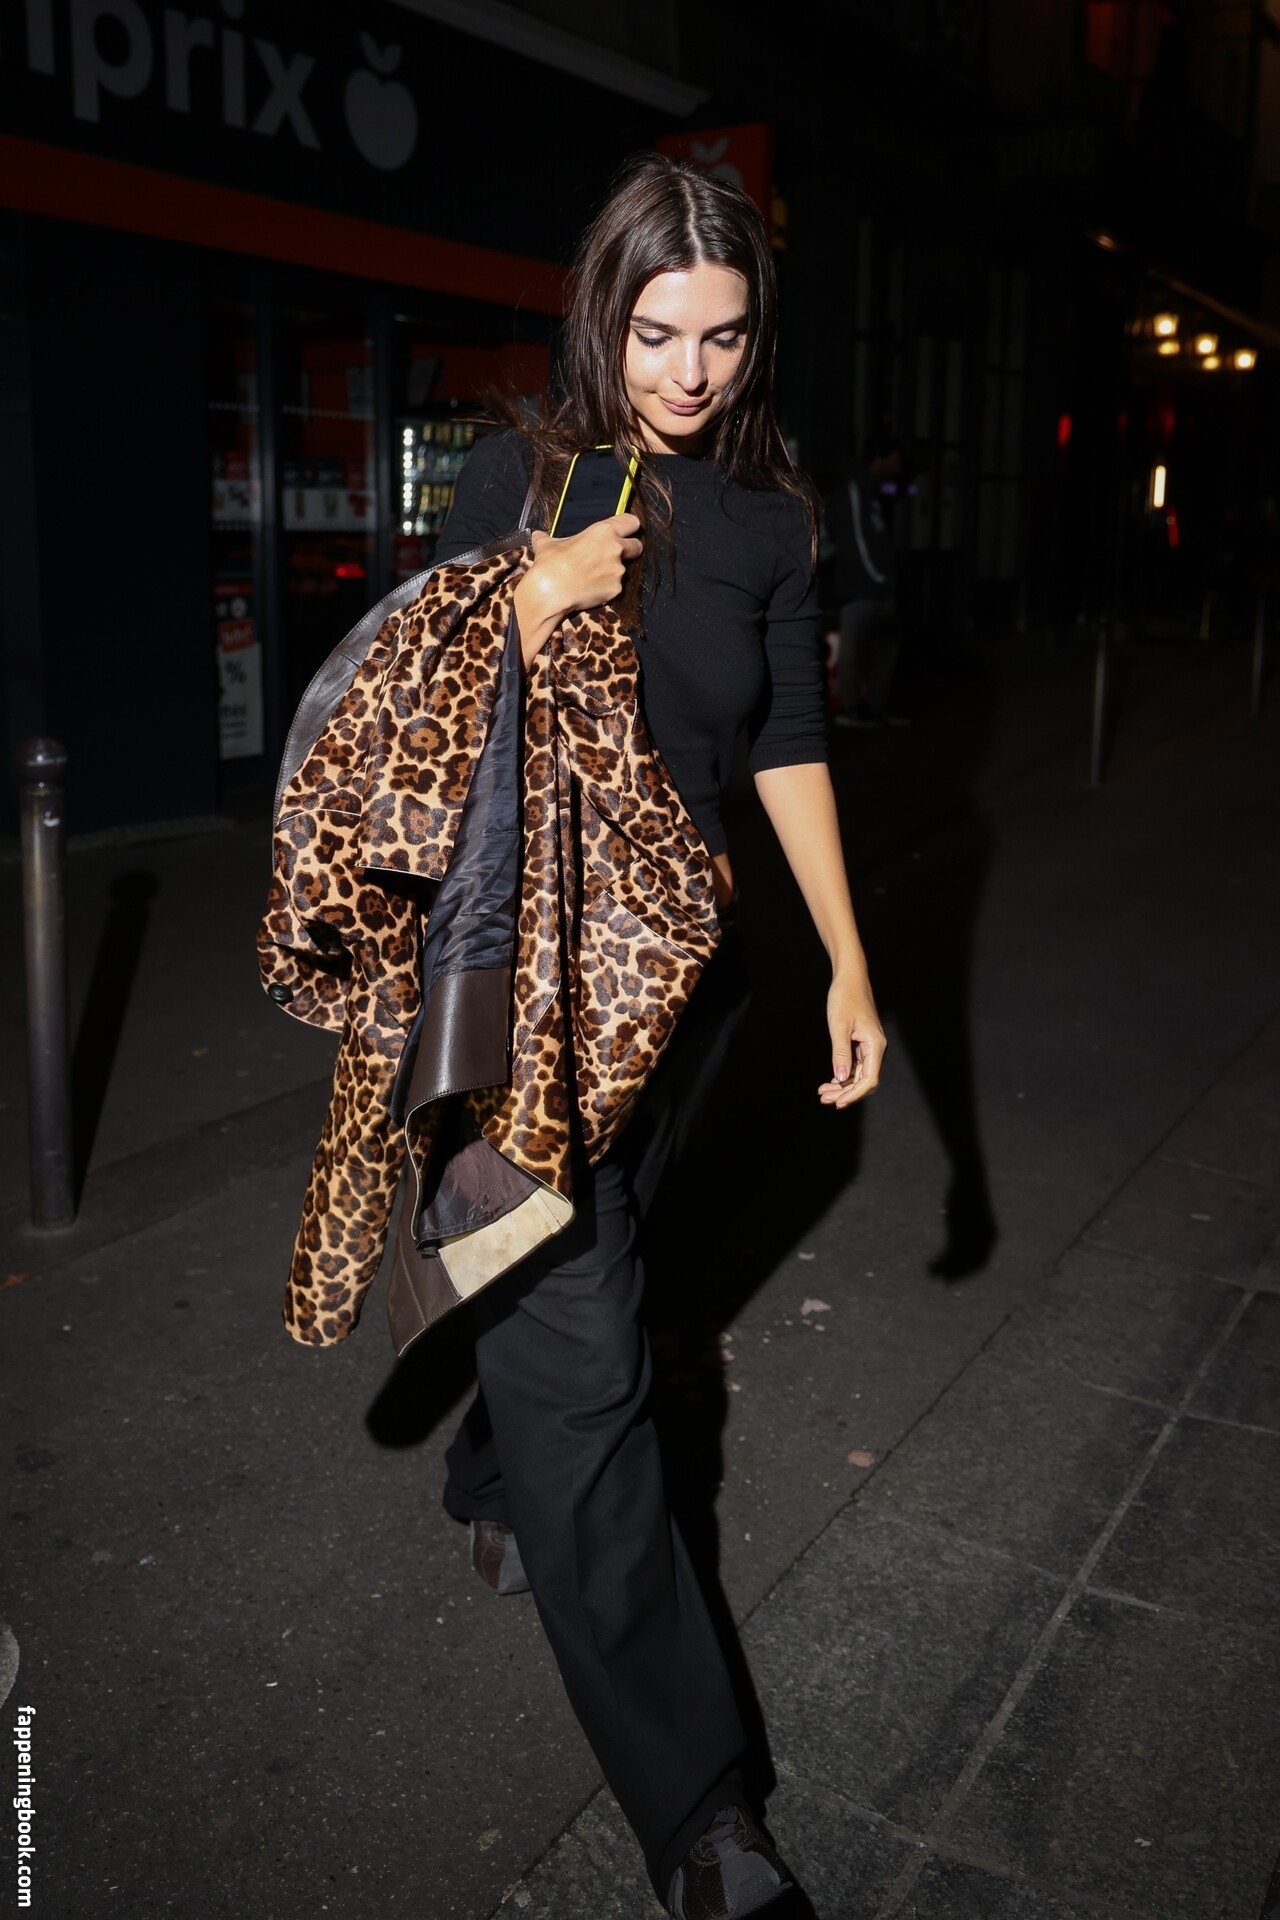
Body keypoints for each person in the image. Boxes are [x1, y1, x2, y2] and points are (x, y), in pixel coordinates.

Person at [431, 152, 886, 1920]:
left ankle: (493, 1463)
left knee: (572, 1300)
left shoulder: (769, 517)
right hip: (530, 1002)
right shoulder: (524, 478)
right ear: (600, 318)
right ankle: (705, 1817)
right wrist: (526, 602)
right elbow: (414, 710)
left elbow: (787, 740)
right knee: (603, 1375)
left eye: (725, 335)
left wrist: (847, 961)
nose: (691, 372)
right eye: (656, 333)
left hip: (686, 1000)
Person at [824, 431, 907, 727]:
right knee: (854, 647)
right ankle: (852, 709)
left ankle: (872, 706)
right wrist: (879, 578)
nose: (898, 468)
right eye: (894, 460)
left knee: (884, 644)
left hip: (876, 584)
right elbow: (856, 540)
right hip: (861, 586)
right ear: (878, 460)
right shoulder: (854, 489)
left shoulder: (871, 490)